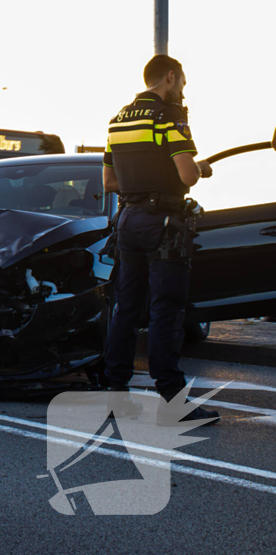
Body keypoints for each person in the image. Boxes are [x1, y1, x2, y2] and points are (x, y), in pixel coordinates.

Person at [102, 54, 219, 425]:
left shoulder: (116, 120)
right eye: (182, 83)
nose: (183, 91)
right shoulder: (170, 117)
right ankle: (172, 401)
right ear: (170, 77)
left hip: (128, 221)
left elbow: (110, 183)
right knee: (166, 310)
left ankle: (116, 395)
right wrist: (197, 167)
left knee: (126, 309)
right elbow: (187, 176)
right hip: (163, 223)